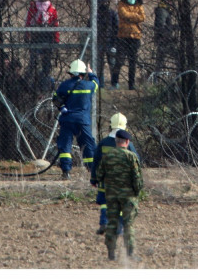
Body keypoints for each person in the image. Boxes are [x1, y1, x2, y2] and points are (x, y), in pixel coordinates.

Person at [96, 129, 143, 261]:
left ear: (116, 142)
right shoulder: (131, 156)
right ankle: (130, 253)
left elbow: (99, 175)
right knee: (128, 224)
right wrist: (137, 192)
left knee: (112, 223)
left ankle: (111, 252)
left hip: (111, 195)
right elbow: (137, 178)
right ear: (127, 142)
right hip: (128, 196)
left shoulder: (107, 156)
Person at [90, 113, 139, 235]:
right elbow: (136, 161)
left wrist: (94, 179)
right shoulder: (128, 144)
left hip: (105, 181)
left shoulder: (103, 143)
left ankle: (104, 223)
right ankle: (119, 227)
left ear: (111, 125)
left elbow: (95, 161)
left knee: (104, 203)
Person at [53, 59, 99, 179]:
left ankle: (66, 172)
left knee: (65, 145)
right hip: (82, 121)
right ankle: (92, 170)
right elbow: (96, 83)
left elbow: (55, 98)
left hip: (67, 120)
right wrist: (91, 73)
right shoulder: (89, 85)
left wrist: (62, 107)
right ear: (83, 74)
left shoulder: (64, 85)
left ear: (71, 73)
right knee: (88, 145)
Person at [111, 0, 145, 90]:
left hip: (135, 37)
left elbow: (142, 17)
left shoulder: (139, 5)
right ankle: (114, 82)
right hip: (123, 37)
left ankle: (131, 84)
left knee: (132, 62)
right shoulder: (121, 4)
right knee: (119, 61)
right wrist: (135, 16)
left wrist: (130, 17)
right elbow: (123, 14)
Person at [25, 0, 59, 82]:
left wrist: (56, 39)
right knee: (33, 60)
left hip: (48, 36)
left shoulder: (52, 9)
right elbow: (28, 21)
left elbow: (55, 25)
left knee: (46, 61)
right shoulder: (33, 6)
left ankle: (45, 80)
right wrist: (27, 35)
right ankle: (31, 80)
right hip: (36, 35)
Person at [95, 0, 118, 88]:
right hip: (99, 41)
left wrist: (115, 41)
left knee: (112, 62)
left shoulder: (112, 13)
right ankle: (101, 84)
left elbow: (116, 27)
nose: (102, 5)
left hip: (110, 41)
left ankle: (114, 83)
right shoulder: (96, 14)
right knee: (100, 64)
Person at [154, 0, 175, 75]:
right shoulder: (162, 11)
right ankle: (157, 76)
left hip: (164, 37)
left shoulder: (166, 10)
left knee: (160, 58)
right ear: (169, 0)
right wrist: (171, 29)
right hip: (163, 38)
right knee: (161, 58)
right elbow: (161, 26)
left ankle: (157, 76)